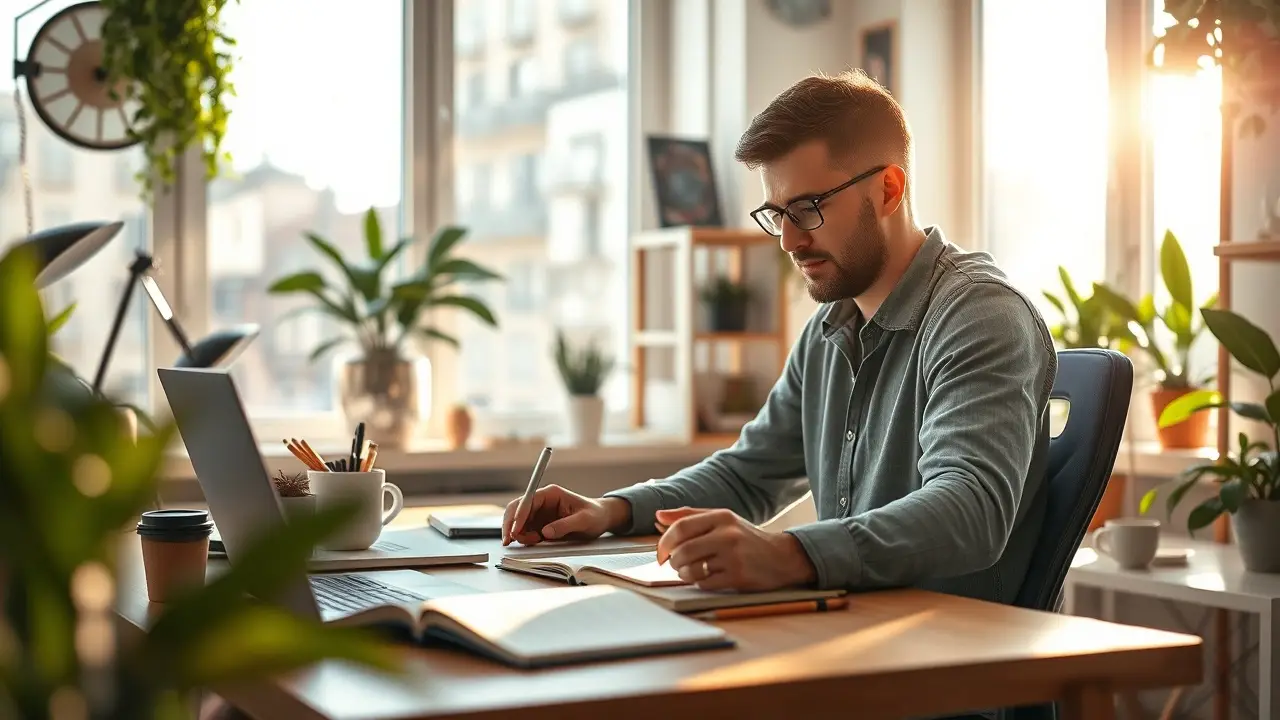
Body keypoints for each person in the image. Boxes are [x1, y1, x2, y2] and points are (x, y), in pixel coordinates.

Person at [502, 69, 1057, 607]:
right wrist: (609, 511)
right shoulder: (829, 329)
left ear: (888, 189)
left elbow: (971, 510)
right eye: (777, 213)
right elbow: (748, 474)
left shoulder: (979, 315)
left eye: (809, 208)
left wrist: (789, 554)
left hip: (959, 663)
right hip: (853, 635)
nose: (789, 241)